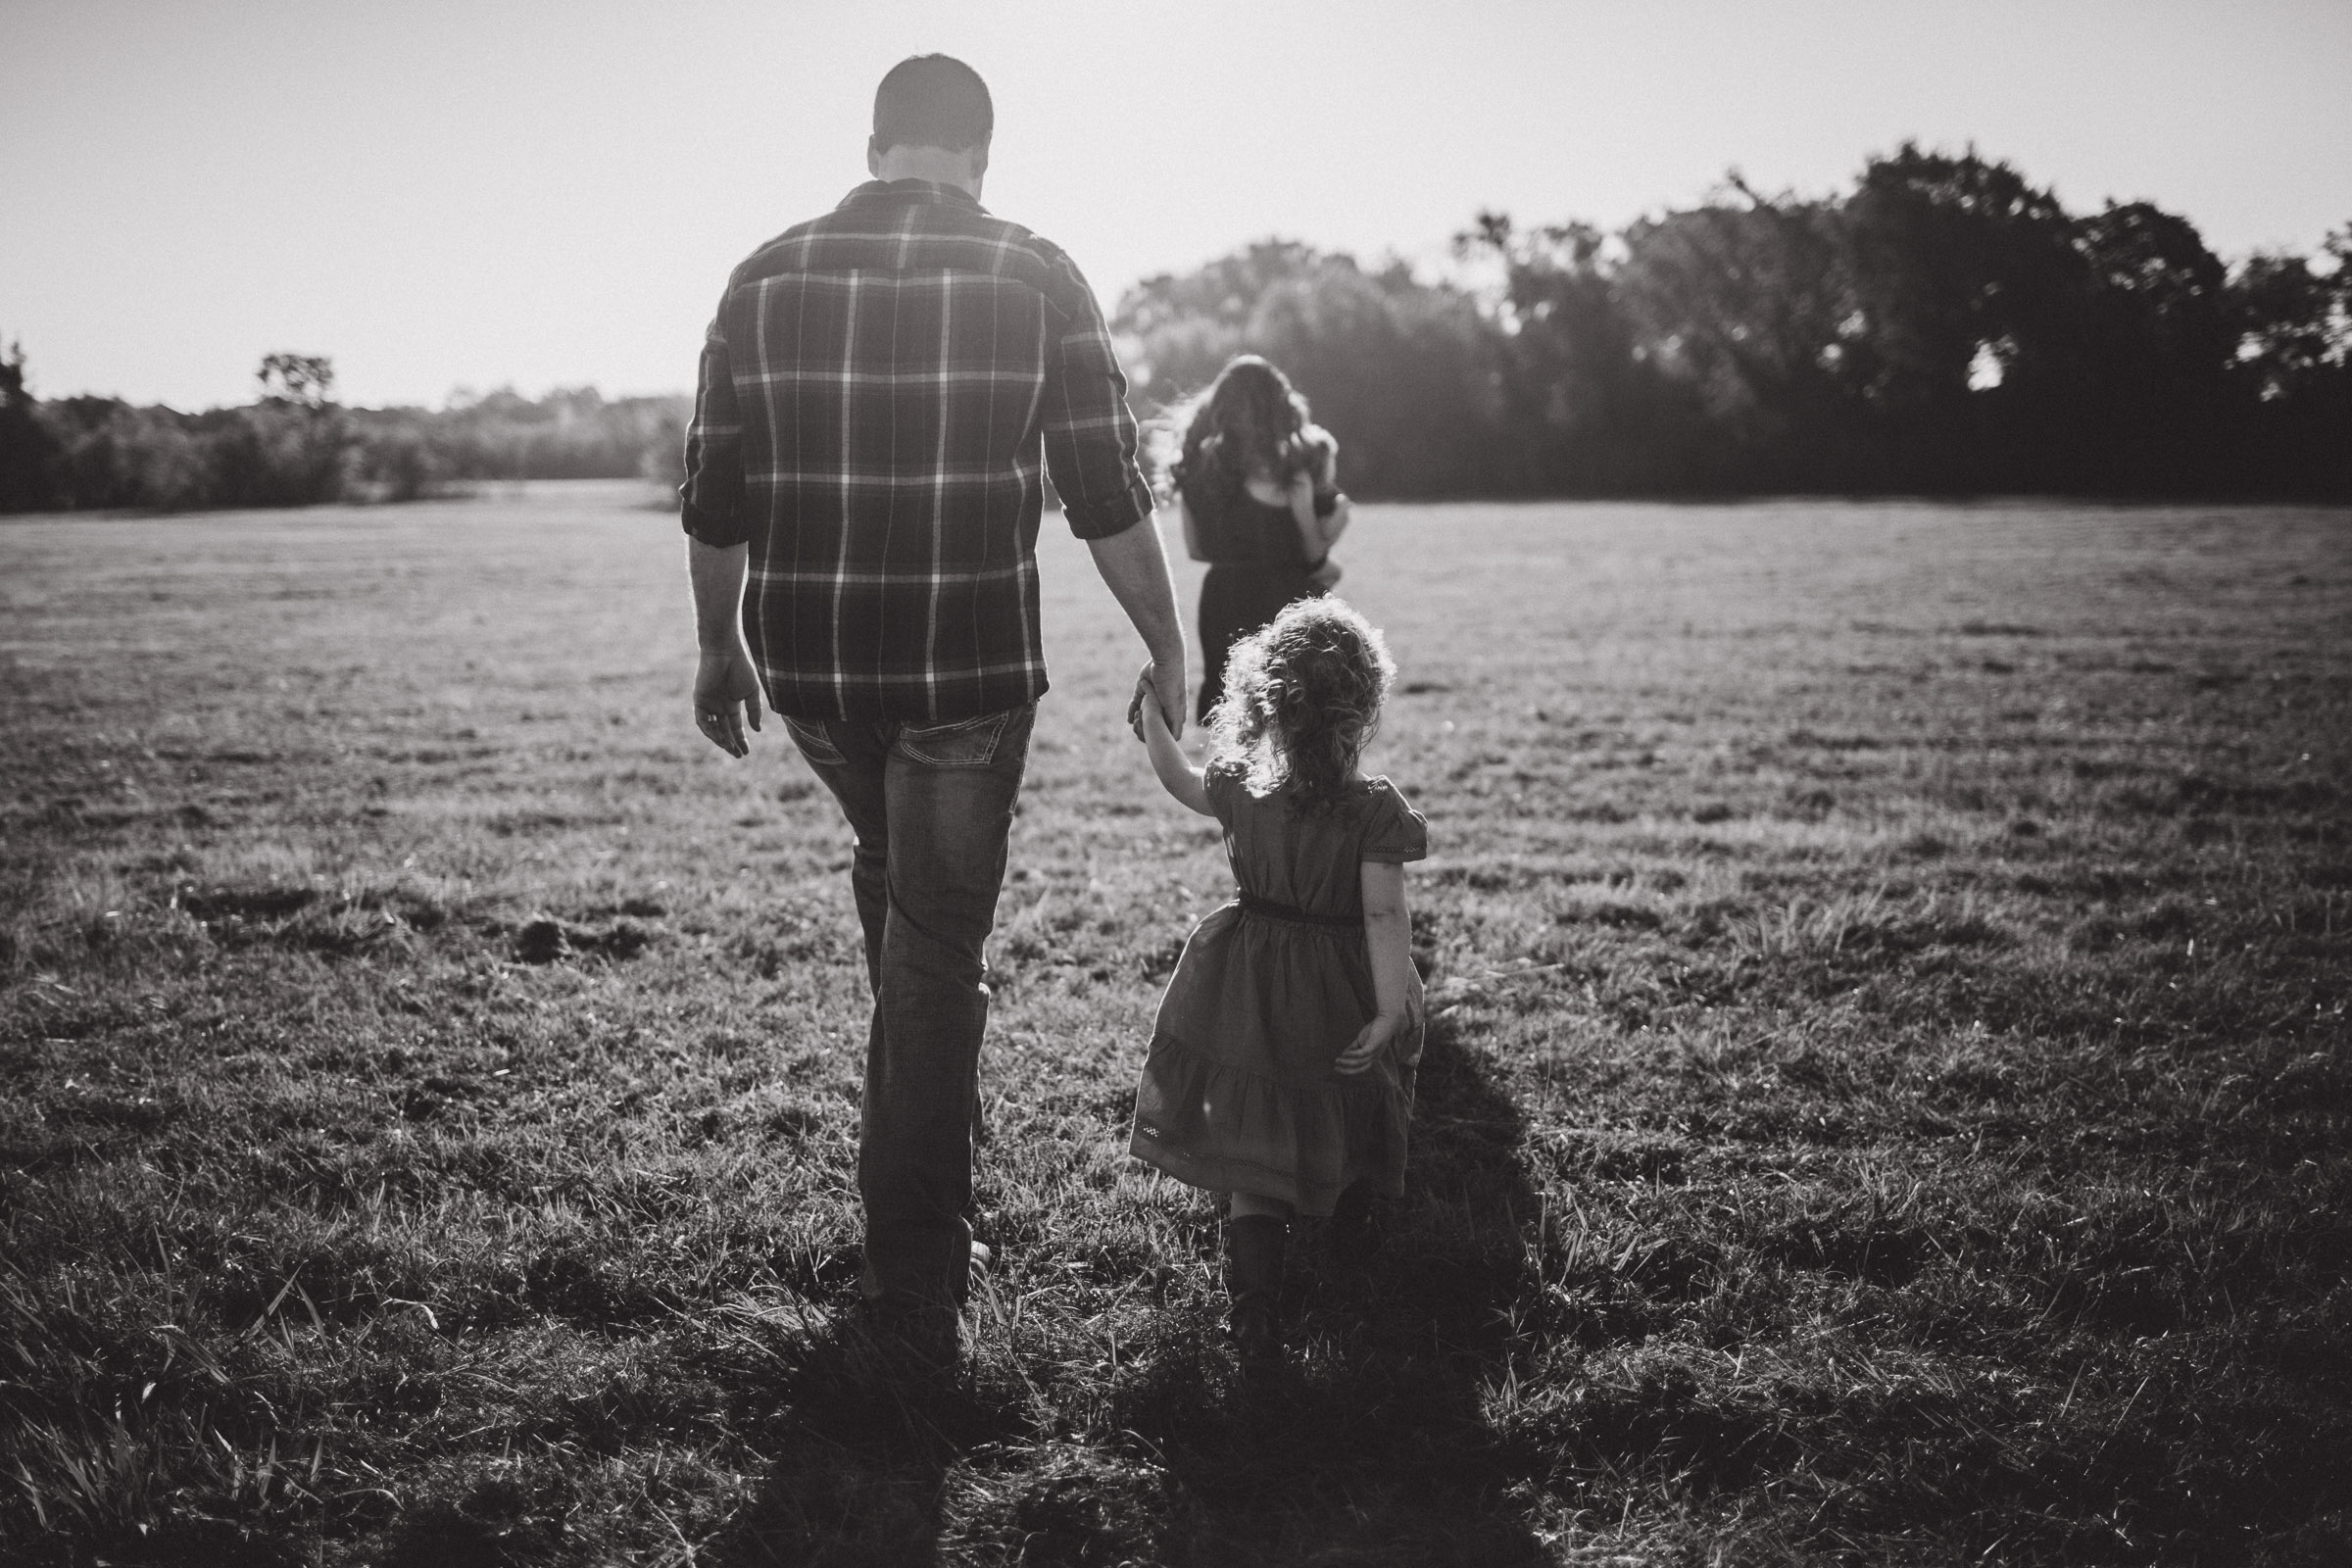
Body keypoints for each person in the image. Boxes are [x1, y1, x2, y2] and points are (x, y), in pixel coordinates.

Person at [677, 54, 1188, 1366]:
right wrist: (1167, 642)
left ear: (875, 142)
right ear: (981, 149)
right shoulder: (1034, 270)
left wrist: (716, 650)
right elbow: (1105, 491)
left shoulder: (762, 275)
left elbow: (717, 498)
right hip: (962, 669)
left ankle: (932, 1139)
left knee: (903, 896)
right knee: (936, 949)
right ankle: (915, 1264)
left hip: (814, 670)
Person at [1126, 596, 1426, 1359]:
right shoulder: (1372, 814)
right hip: (1341, 987)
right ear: (1361, 715)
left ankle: (1255, 1308)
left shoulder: (1238, 787)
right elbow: (1386, 921)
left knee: (1256, 1154)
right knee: (1345, 1101)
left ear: (1266, 703)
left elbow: (1179, 779)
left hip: (1251, 988)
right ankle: (1349, 1242)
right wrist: (1391, 1009)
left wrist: (1154, 725)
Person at [1166, 356, 1353, 722]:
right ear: (1275, 408)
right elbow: (1313, 556)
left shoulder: (1195, 474)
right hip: (1284, 603)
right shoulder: (1285, 476)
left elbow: (1195, 550)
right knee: (1292, 714)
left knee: (1236, 715)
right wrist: (1338, 517)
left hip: (1220, 600)